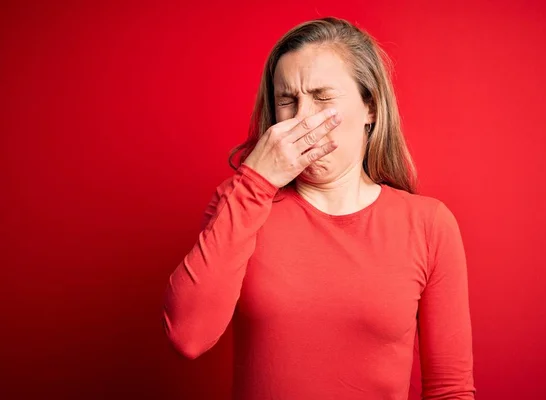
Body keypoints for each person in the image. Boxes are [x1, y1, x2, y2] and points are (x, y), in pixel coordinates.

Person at [163, 16, 476, 400]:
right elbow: (187, 336)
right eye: (287, 100)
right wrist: (254, 184)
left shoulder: (428, 224)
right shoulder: (241, 202)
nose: (302, 118)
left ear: (370, 108)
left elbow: (450, 389)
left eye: (323, 97)